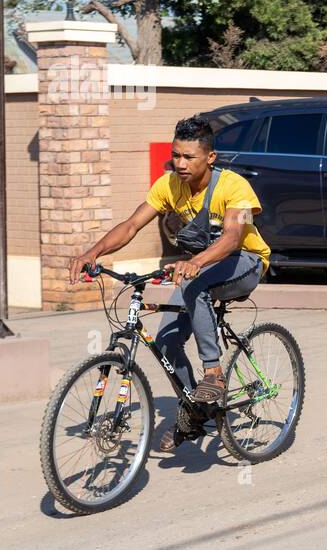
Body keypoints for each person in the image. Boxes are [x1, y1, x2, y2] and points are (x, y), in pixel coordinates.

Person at [68, 116, 271, 451]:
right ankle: (197, 409)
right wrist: (94, 251)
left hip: (245, 262)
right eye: (176, 155)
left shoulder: (235, 187)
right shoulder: (168, 186)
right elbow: (131, 225)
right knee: (166, 341)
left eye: (188, 157)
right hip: (201, 269)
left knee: (196, 288)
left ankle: (213, 373)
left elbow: (234, 237)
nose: (180, 163)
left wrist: (195, 262)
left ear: (210, 157)